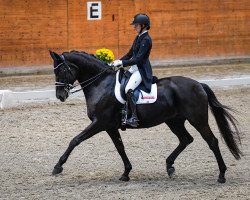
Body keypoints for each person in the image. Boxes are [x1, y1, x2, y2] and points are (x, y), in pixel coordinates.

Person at [112, 13, 153, 127]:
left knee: (129, 89)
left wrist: (122, 63)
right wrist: (117, 62)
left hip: (141, 70)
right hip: (134, 68)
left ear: (143, 25)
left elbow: (138, 59)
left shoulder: (146, 40)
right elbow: (130, 54)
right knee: (121, 84)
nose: (134, 27)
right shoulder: (138, 37)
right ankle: (123, 111)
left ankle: (134, 117)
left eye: (136, 25)